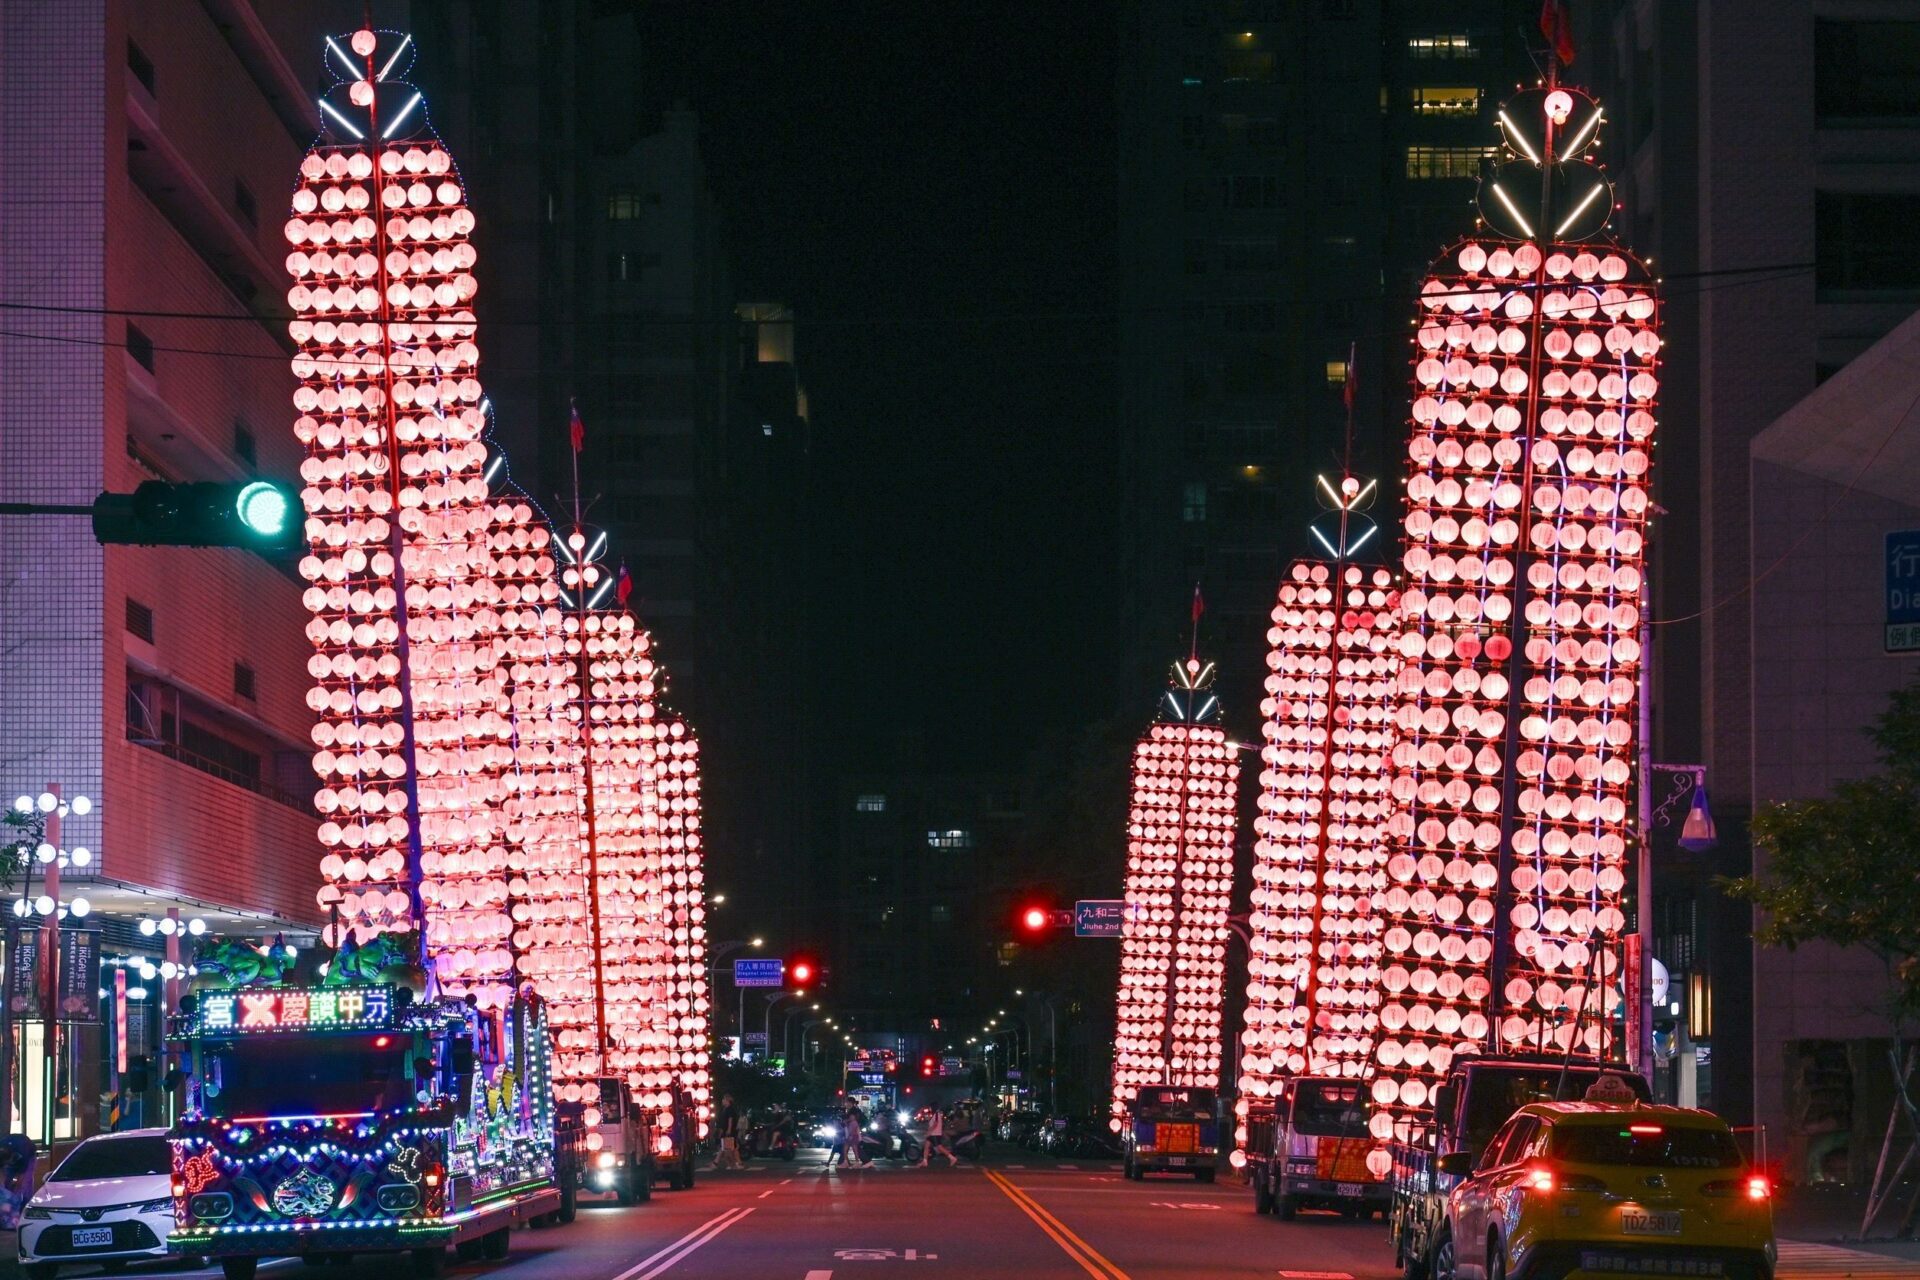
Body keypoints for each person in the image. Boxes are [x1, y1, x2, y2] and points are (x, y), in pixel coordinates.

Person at [710, 1093, 743, 1170]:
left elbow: (730, 1120)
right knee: (730, 1148)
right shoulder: (726, 1109)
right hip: (727, 1131)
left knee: (725, 1148)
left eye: (724, 1099)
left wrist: (729, 1129)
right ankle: (736, 1164)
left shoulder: (729, 1109)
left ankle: (717, 1163)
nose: (722, 1101)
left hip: (729, 1131)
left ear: (728, 1101)